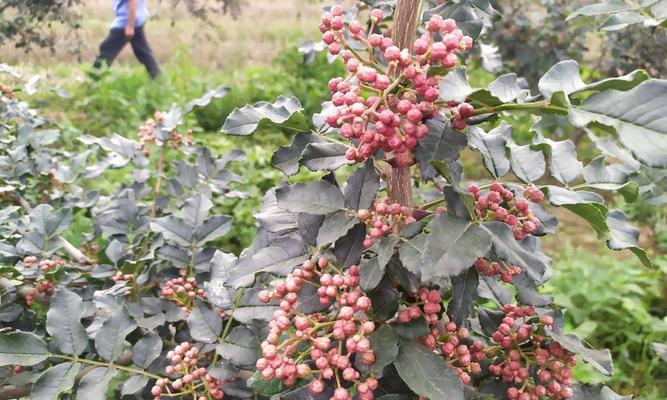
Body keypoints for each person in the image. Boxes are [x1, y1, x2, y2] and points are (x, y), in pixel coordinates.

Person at [93, 0, 162, 78]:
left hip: (126, 21)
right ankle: (157, 76)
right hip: (136, 18)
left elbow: (132, 2)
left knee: (106, 49)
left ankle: (94, 79)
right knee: (143, 52)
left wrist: (130, 26)